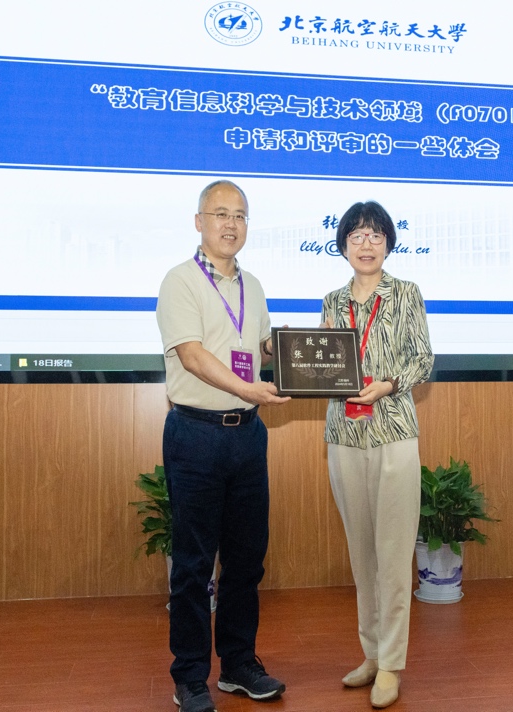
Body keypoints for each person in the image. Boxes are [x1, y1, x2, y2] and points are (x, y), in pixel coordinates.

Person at [156, 179, 290, 712]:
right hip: (195, 435)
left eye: (239, 215)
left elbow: (258, 347)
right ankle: (190, 677)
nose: (230, 224)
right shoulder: (180, 281)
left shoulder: (252, 285)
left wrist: (312, 345)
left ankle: (237, 665)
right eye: (220, 214)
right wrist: (247, 388)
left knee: (246, 560)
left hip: (248, 437)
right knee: (193, 565)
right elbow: (191, 355)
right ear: (199, 222)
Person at [320, 200, 434, 709]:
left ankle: (391, 664)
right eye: (356, 236)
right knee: (361, 554)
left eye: (375, 235)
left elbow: (423, 359)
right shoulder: (331, 301)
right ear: (343, 244)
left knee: (392, 553)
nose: (366, 244)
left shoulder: (406, 293)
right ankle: (370, 653)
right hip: (344, 434)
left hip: (393, 433)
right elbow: (323, 365)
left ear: (388, 242)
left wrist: (387, 384)